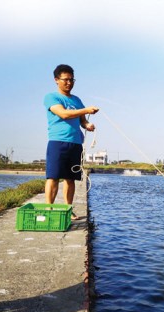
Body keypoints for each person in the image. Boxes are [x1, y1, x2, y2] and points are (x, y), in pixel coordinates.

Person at [44, 64, 99, 220]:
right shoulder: (51, 97)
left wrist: (87, 125)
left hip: (76, 143)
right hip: (57, 142)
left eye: (71, 80)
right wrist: (86, 110)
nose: (69, 83)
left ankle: (68, 209)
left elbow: (82, 121)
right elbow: (64, 114)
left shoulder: (77, 100)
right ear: (56, 80)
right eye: (65, 80)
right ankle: (49, 209)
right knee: (53, 177)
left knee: (71, 178)